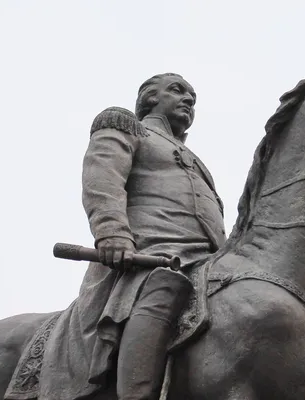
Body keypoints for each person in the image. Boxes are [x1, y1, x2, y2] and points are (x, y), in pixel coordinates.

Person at [40, 73, 226, 399]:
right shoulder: (127, 126)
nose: (188, 101)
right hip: (150, 252)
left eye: (193, 98)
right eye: (177, 91)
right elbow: (103, 177)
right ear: (151, 98)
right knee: (164, 286)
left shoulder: (195, 160)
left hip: (208, 259)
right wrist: (113, 234)